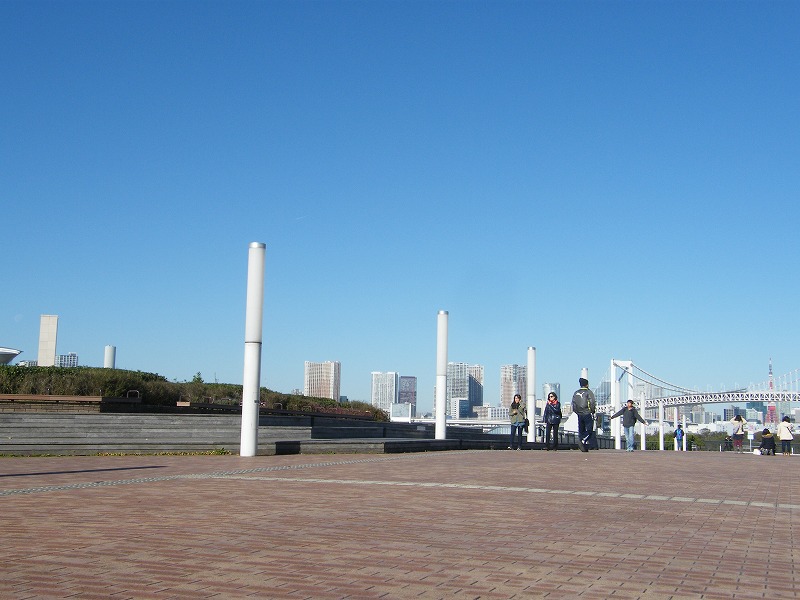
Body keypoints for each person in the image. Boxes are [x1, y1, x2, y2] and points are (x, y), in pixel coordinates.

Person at [571, 377, 597, 452]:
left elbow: (573, 404)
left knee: (581, 430)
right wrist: (592, 411)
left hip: (579, 414)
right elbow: (592, 402)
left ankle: (583, 446)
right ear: (587, 384)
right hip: (587, 413)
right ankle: (582, 440)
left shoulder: (576, 393)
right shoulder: (589, 392)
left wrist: (577, 412)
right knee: (589, 430)